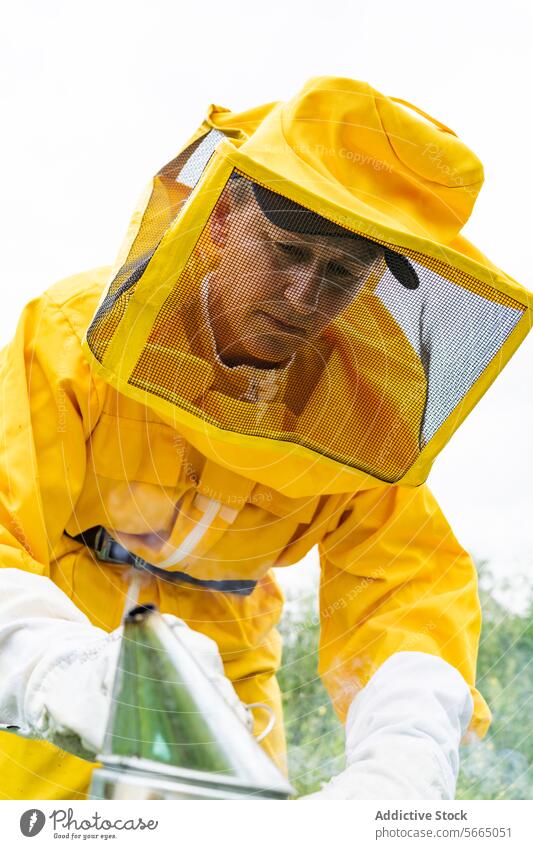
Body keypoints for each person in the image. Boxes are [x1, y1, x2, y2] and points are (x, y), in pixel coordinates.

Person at [0, 76, 530, 800]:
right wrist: (54, 668)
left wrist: (402, 755)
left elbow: (406, 585)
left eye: (343, 271)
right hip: (56, 681)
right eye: (285, 251)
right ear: (219, 221)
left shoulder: (363, 406)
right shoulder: (72, 336)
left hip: (235, 701)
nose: (305, 298)